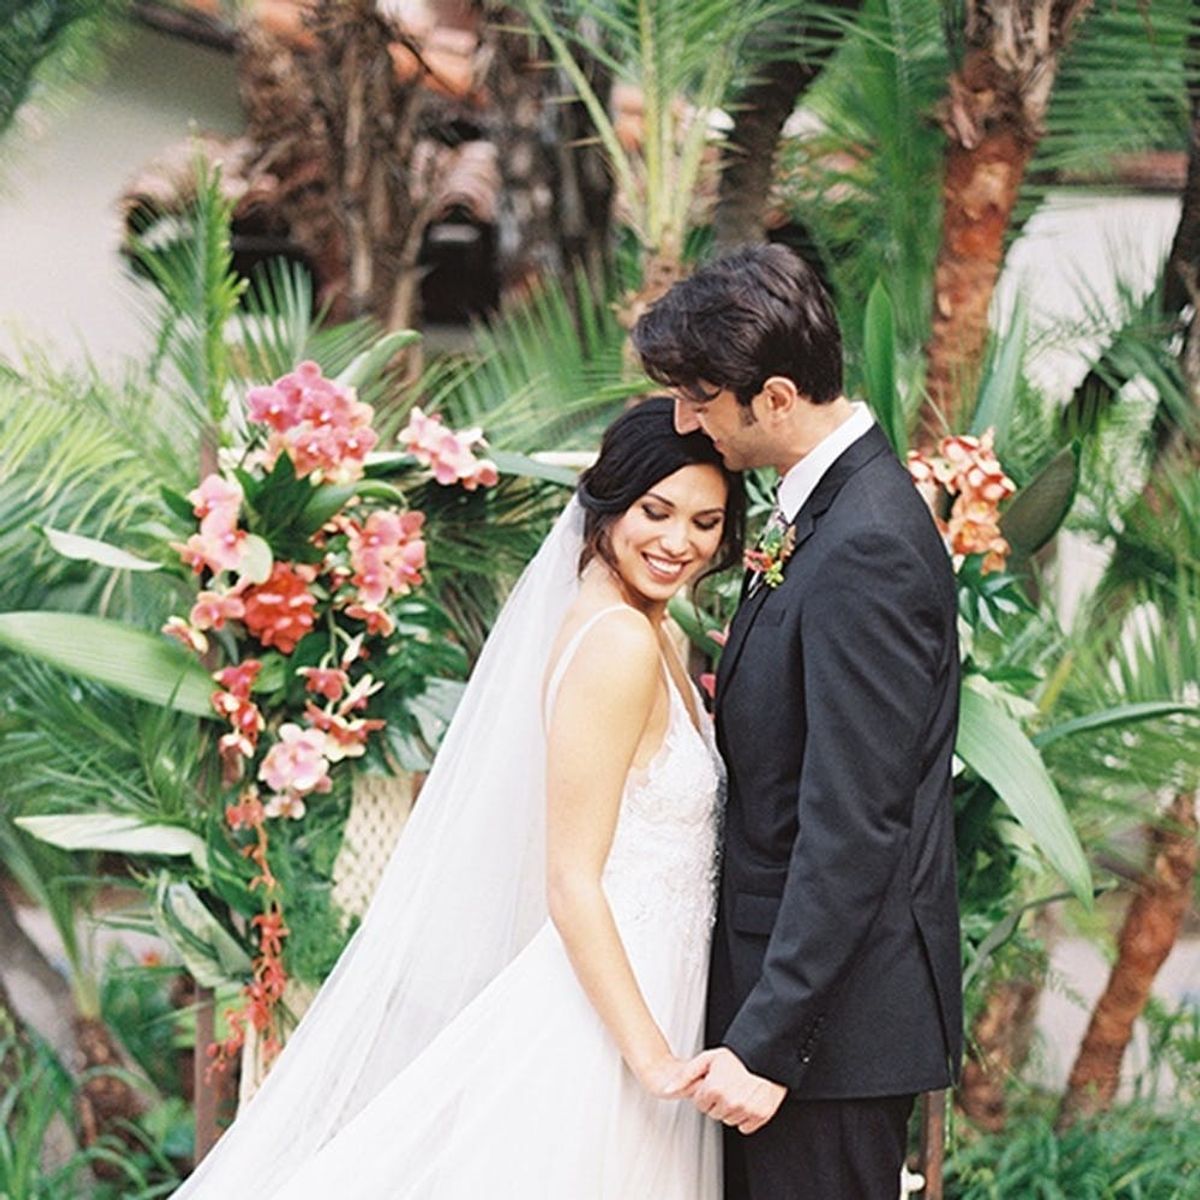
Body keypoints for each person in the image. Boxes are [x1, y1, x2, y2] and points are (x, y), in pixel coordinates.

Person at [170, 397, 744, 1199]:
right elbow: (572, 879)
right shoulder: (617, 642)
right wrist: (651, 1057)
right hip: (613, 1023)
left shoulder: (642, 626)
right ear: (610, 500)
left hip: (656, 995)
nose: (679, 541)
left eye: (706, 521)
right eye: (657, 510)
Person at [633, 244, 963, 1200]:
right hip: (795, 1017)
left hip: (828, 1042)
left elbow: (855, 823)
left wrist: (767, 1044)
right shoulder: (826, 512)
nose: (685, 420)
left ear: (774, 398)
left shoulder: (867, 545)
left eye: (699, 397)